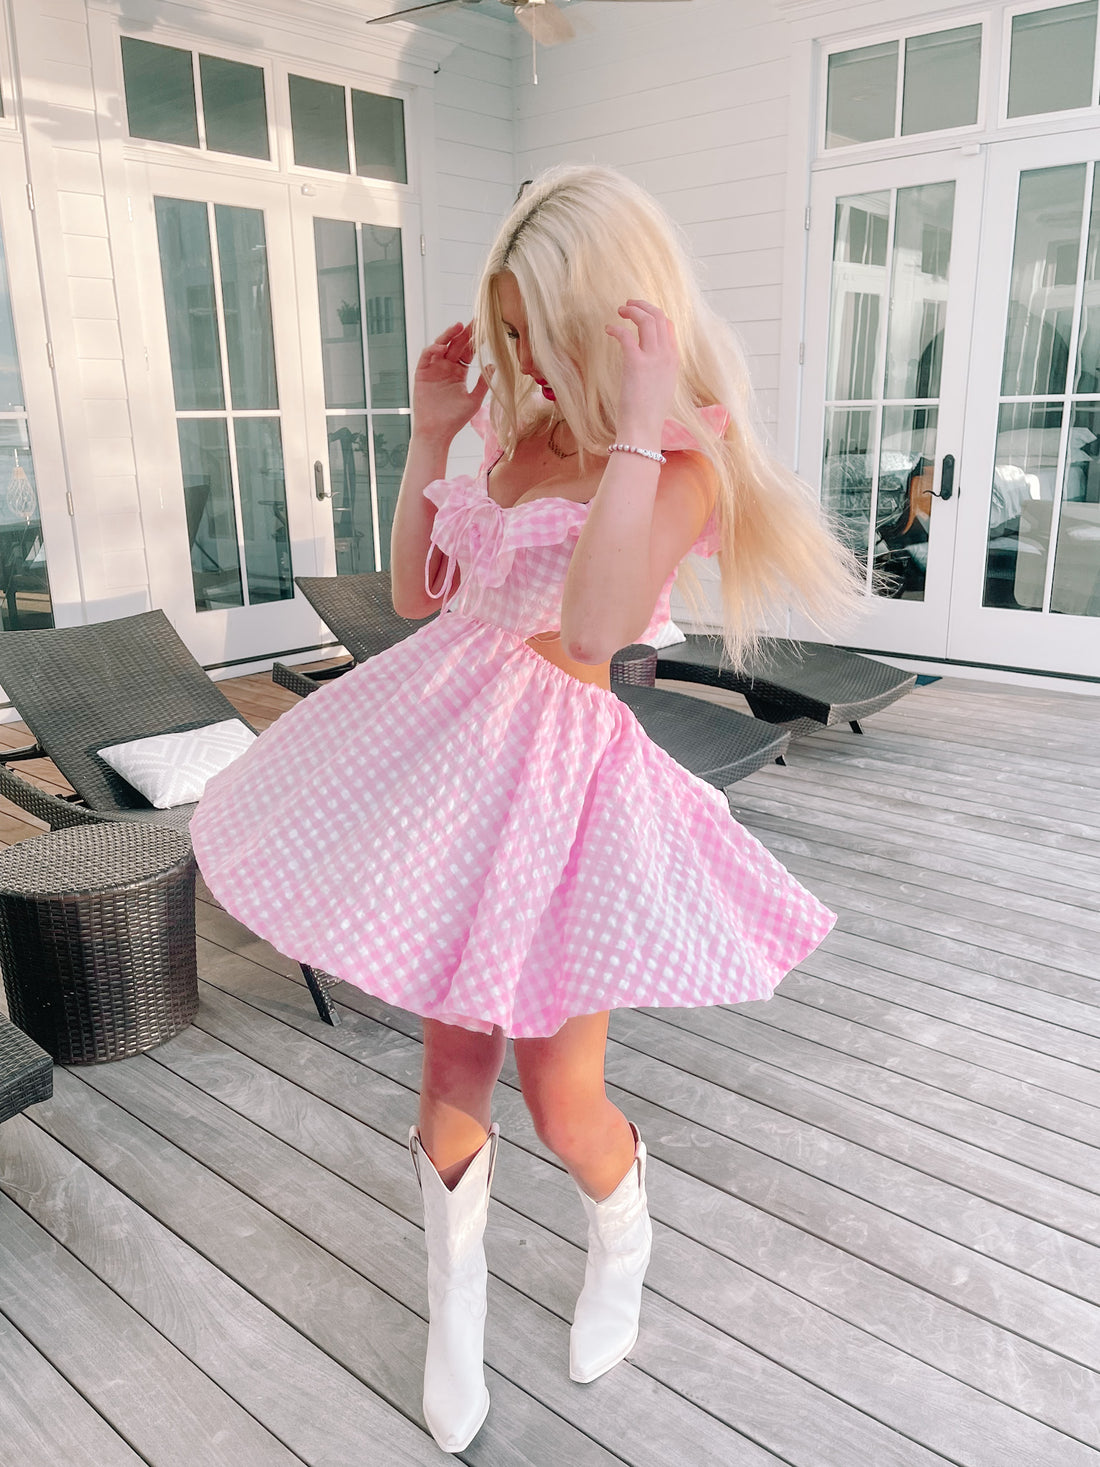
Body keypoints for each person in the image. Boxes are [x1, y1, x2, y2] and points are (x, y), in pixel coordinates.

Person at [190, 164, 859, 1455]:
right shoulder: (516, 432)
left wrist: (635, 432)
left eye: (535, 333)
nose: (521, 360)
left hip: (562, 797)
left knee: (562, 1101)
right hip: (451, 762)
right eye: (507, 333)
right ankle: (457, 1316)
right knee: (451, 1079)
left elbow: (599, 629)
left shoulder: (681, 457)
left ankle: (625, 1225)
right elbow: (417, 592)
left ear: (608, 312)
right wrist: (437, 432)